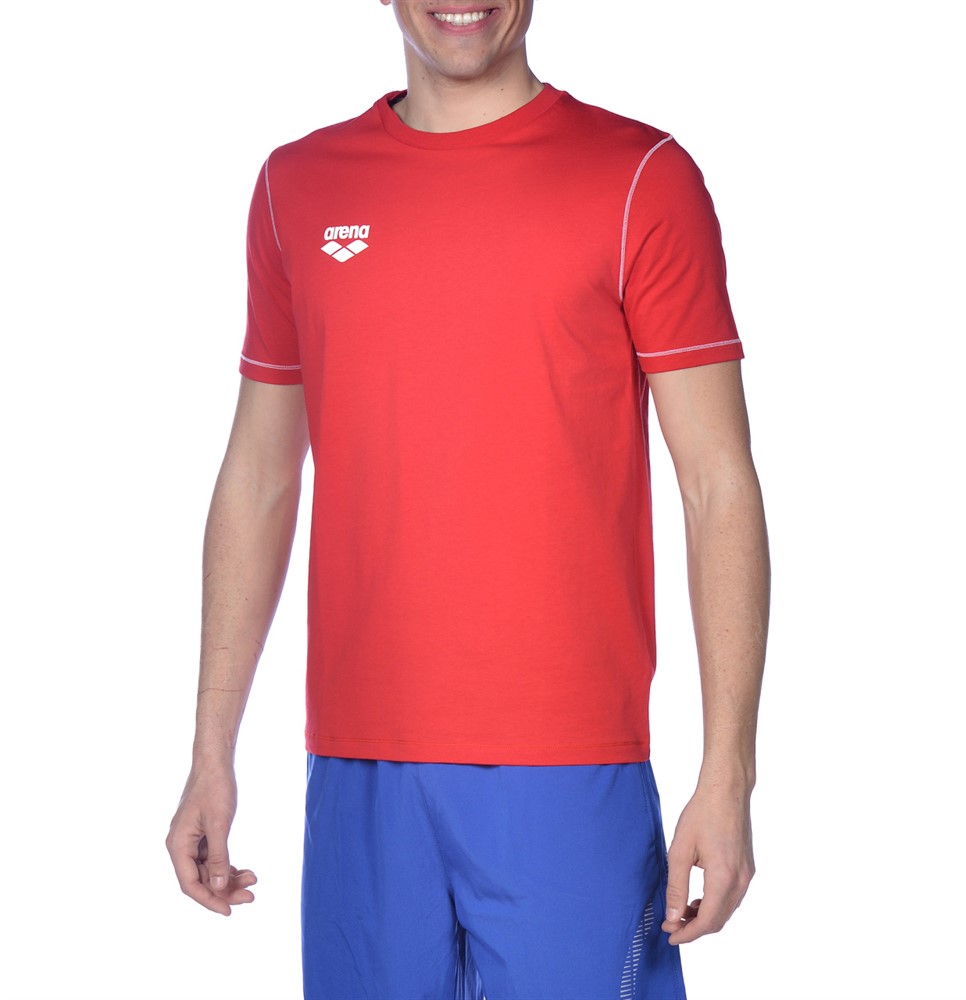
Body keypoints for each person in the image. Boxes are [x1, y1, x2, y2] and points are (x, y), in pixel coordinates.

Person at [166, 2, 770, 997]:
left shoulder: (639, 177)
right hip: (357, 764)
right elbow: (260, 474)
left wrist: (729, 771)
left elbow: (717, 483)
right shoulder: (297, 186)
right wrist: (210, 750)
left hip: (569, 763)